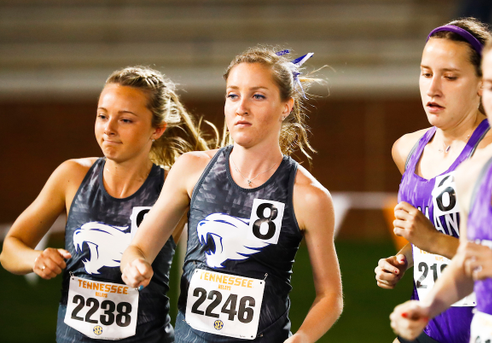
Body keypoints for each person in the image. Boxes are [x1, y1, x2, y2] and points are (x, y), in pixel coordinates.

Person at [120, 47, 343, 343]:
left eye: (258, 96)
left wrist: (302, 338)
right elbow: (137, 249)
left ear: (286, 107)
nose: (241, 107)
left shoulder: (308, 196)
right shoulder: (191, 170)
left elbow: (330, 296)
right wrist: (134, 266)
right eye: (233, 95)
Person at [0, 66, 212, 342]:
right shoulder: (72, 176)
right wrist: (35, 258)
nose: (109, 128)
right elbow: (10, 248)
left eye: (125, 120)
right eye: (102, 115)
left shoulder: (175, 186)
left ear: (157, 129)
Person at [374, 18, 492, 343]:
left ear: (483, 83)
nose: (433, 88)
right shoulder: (407, 148)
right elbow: (430, 234)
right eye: (426, 73)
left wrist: (434, 241)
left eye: (450, 76)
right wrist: (403, 259)